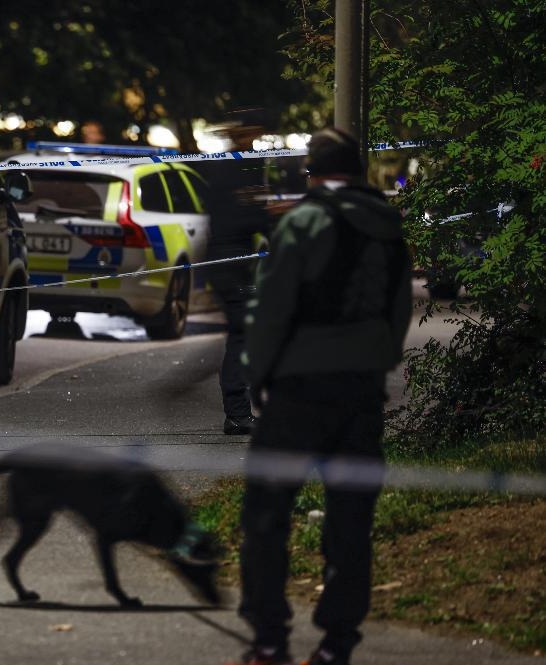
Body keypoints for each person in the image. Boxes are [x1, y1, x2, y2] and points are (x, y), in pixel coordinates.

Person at [228, 127, 413, 665]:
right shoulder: (388, 229)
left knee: (266, 515)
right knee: (350, 520)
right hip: (360, 391)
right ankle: (336, 644)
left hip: (299, 389)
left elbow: (272, 309)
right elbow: (397, 310)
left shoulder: (302, 224)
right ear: (357, 173)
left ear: (313, 173)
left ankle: (269, 639)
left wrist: (257, 374)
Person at [196, 119, 272, 435]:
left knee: (246, 332)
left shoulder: (229, 165)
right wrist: (273, 218)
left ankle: (247, 406)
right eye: (254, 133)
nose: (257, 138)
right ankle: (238, 414)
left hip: (229, 259)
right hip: (231, 261)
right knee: (241, 336)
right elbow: (245, 217)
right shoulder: (238, 169)